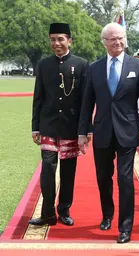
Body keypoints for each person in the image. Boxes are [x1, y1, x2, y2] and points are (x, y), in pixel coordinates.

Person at [77, 22, 139, 244]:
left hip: (127, 131)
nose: (117, 42)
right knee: (103, 177)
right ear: (104, 42)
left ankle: (125, 227)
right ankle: (107, 214)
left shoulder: (137, 66)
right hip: (102, 130)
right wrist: (83, 132)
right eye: (112, 39)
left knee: (125, 178)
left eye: (120, 38)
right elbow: (87, 103)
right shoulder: (94, 68)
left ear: (125, 39)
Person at [30, 23, 89, 226]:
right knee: (47, 168)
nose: (56, 43)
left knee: (68, 171)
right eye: (53, 39)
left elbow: (85, 101)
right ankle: (47, 214)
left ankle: (64, 210)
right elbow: (38, 97)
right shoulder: (43, 64)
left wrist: (85, 130)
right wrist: (35, 126)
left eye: (60, 39)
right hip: (48, 125)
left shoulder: (81, 64)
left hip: (70, 127)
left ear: (69, 40)